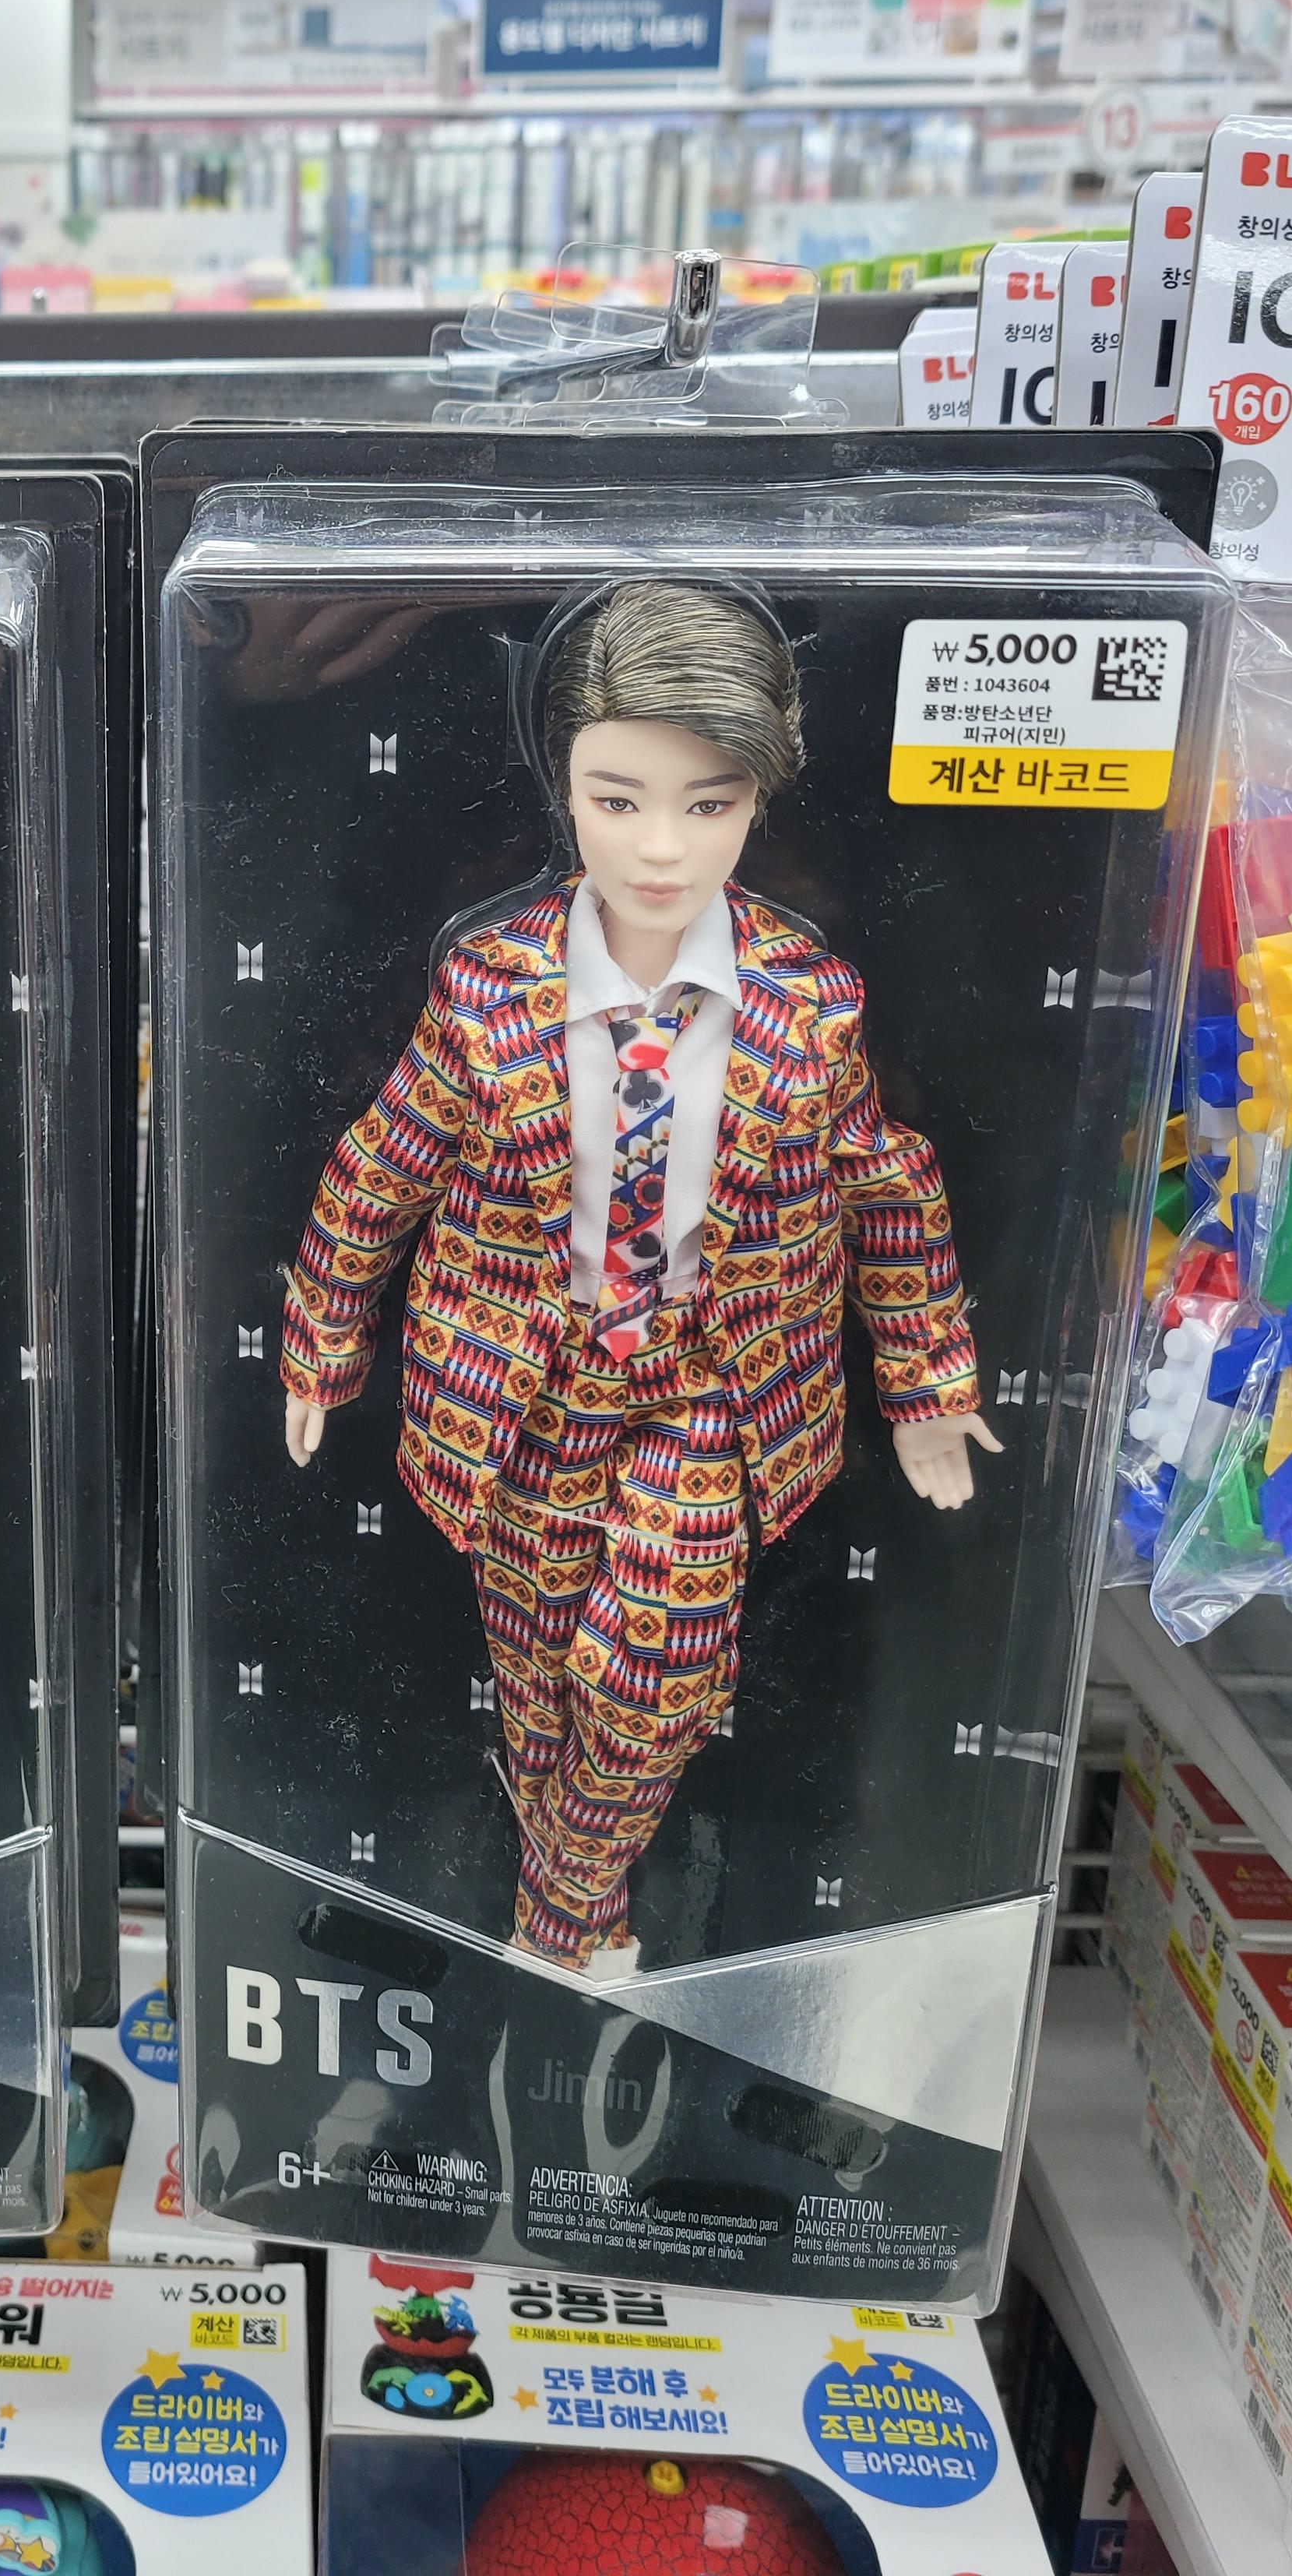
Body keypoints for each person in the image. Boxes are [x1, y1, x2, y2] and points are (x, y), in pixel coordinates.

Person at [279, 580, 997, 1978]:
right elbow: (382, 1167)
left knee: (651, 1671)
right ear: (563, 787)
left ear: (758, 799)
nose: (663, 847)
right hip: (521, 1388)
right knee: (542, 1673)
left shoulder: (807, 1002)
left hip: (714, 1388)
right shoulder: (490, 991)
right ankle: (578, 1919)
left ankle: (557, 1920)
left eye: (708, 804)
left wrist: (927, 1387)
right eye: (620, 801)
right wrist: (322, 1344)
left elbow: (888, 1186)